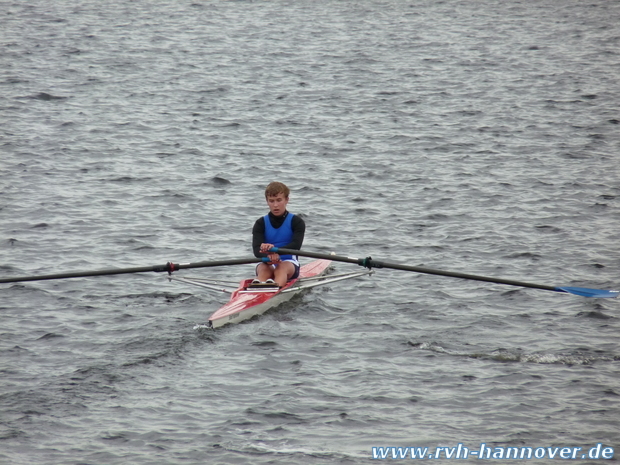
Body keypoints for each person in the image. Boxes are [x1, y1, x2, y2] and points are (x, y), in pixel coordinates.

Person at [252, 182, 305, 287]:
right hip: (267, 261)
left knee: (281, 268)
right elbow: (256, 250)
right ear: (267, 202)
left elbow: (296, 245)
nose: (275, 205)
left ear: (287, 200)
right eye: (271, 201)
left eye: (279, 200)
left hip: (289, 262)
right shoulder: (260, 223)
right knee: (263, 269)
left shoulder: (297, 222)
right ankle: (257, 290)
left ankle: (274, 289)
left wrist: (276, 252)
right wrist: (269, 257)